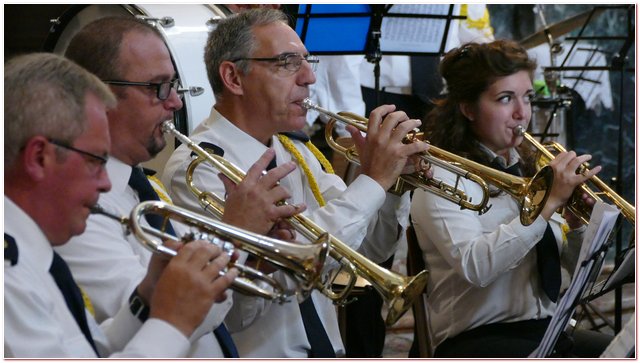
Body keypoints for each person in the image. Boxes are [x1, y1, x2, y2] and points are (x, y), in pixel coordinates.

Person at [161, 8, 429, 358]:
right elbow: (256, 294)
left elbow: (363, 252)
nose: (309, 78)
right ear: (234, 77)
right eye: (288, 62)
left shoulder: (294, 151)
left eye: (307, 61)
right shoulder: (196, 168)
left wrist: (392, 187)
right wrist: (373, 180)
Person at [55, 16, 298, 358]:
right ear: (99, 96)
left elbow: (221, 319)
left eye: (174, 87)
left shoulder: (150, 191)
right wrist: (235, 234)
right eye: (158, 87)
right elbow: (169, 320)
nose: (176, 103)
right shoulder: (82, 208)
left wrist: (252, 263)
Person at [4, 52, 236, 358]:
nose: (106, 183)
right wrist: (171, 321)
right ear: (39, 158)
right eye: (96, 161)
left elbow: (87, 352)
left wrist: (147, 298)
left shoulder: (32, 255)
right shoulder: (9, 277)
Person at [410, 39, 612, 357]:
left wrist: (576, 227)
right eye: (506, 99)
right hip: (479, 342)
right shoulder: (440, 181)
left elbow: (567, 274)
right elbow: (477, 267)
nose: (522, 113)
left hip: (546, 330)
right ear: (467, 108)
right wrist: (545, 209)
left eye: (527, 98)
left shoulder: (527, 174)